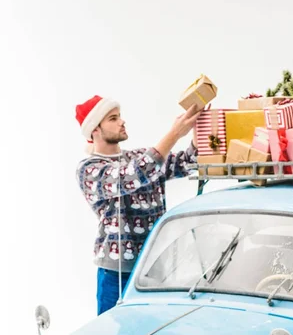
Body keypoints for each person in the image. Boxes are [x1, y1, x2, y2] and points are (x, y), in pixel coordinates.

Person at [75, 95, 204, 315]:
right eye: (113, 119)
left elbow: (186, 162)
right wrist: (174, 134)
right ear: (95, 130)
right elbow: (132, 176)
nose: (122, 122)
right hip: (117, 273)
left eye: (120, 117)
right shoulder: (89, 169)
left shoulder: (137, 157)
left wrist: (198, 129)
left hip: (155, 267)